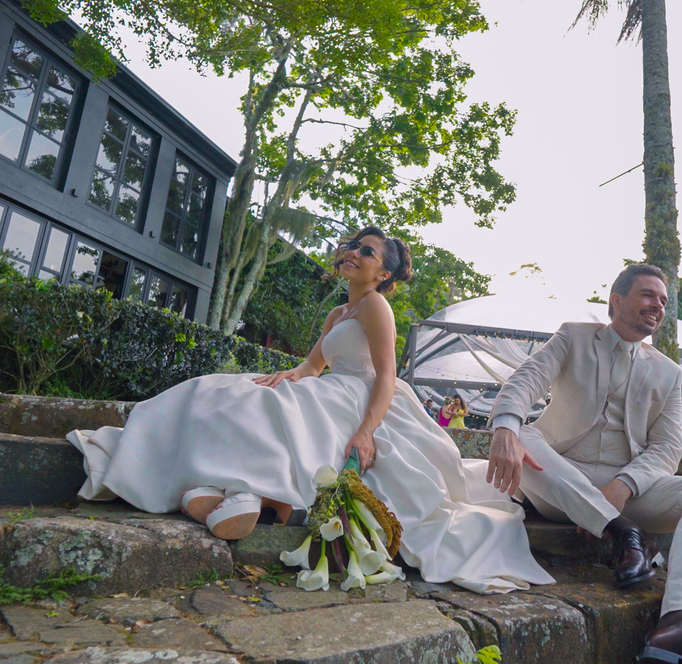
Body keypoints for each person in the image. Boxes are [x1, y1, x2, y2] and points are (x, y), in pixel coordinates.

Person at [67, 226, 553, 594]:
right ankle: (230, 492)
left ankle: (248, 492)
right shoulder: (338, 313)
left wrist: (366, 432)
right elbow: (312, 365)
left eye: (368, 252)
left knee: (269, 409)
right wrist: (288, 375)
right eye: (353, 245)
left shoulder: (376, 307)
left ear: (383, 274)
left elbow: (387, 375)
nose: (354, 252)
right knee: (224, 389)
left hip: (365, 399)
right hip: (330, 389)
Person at [486, 265, 682, 664]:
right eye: (647, 295)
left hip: (625, 488)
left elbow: (667, 448)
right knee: (521, 432)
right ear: (617, 300)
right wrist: (505, 427)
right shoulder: (573, 336)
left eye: (663, 300)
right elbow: (524, 382)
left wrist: (624, 484)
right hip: (557, 480)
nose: (658, 305)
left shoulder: (669, 372)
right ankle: (626, 533)